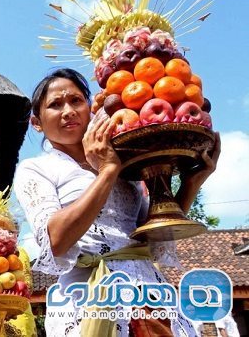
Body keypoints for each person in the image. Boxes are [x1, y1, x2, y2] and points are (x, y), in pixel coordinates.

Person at [13, 68, 221, 336]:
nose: (68, 111)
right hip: (88, 298)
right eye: (55, 104)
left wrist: (193, 181)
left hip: (149, 294)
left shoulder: (127, 163)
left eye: (76, 101)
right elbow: (56, 240)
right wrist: (108, 171)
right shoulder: (36, 169)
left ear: (91, 108)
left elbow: (154, 237)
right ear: (37, 122)